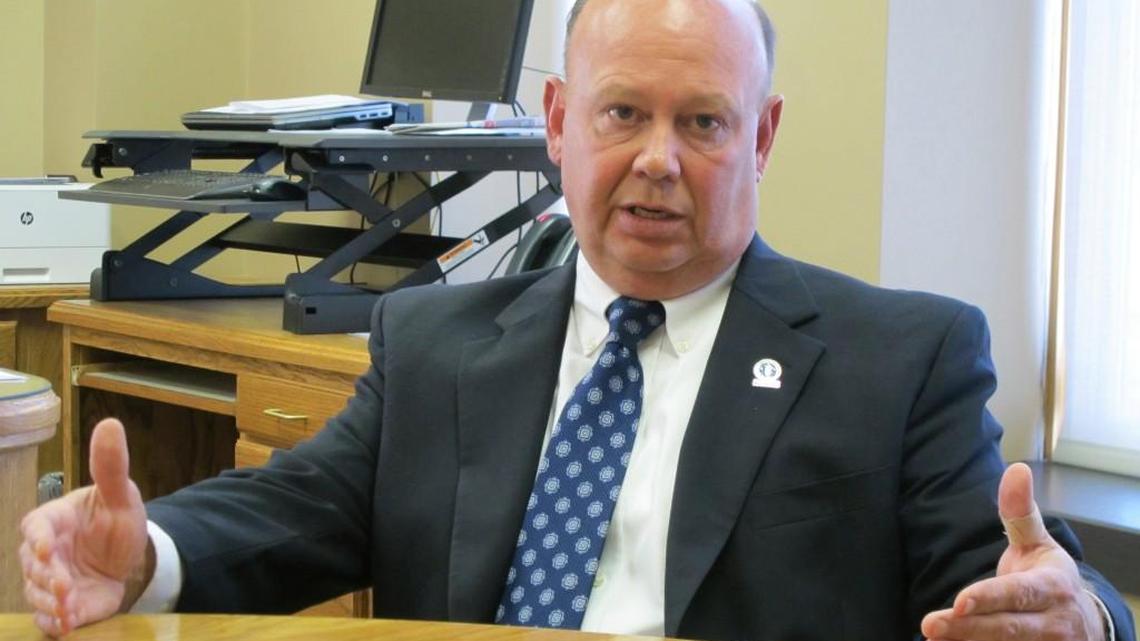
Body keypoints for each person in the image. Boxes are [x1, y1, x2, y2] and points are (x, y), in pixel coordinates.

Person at [18, 0, 1136, 639]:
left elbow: (1010, 574)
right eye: (622, 113)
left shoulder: (902, 358)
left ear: (763, 138)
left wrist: (1078, 615)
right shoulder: (436, 341)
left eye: (703, 120)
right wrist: (149, 553)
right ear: (558, 122)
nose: (658, 159)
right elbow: (297, 509)